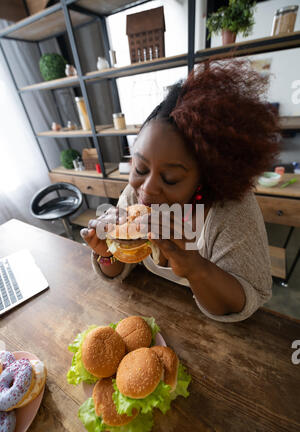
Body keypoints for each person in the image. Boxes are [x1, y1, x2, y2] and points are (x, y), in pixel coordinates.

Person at [81, 58, 280, 323]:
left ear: (205, 178)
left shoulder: (231, 211)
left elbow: (242, 302)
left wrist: (194, 267)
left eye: (171, 178)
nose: (148, 190)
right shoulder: (134, 195)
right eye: (140, 168)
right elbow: (120, 268)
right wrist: (108, 253)